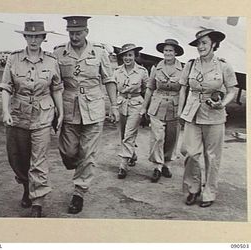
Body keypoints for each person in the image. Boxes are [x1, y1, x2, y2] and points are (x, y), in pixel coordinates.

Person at [53, 16, 119, 214]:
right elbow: (53, 83)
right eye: (71, 33)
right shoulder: (58, 53)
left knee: (88, 154)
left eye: (78, 33)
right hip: (68, 109)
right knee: (69, 153)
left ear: (86, 32)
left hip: (94, 109)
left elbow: (109, 80)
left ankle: (79, 193)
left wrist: (114, 106)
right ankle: (74, 164)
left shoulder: (99, 52)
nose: (74, 36)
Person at [0, 21, 63, 217]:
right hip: (18, 114)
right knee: (17, 157)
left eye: (38, 36)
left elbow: (57, 88)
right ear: (25, 37)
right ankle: (26, 186)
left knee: (39, 160)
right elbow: (6, 87)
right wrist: (5, 111)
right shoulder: (14, 59)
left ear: (44, 38)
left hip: (43, 115)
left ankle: (38, 201)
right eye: (30, 36)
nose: (33, 40)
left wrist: (61, 113)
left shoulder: (51, 61)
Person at [178, 29, 237, 207]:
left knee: (212, 156)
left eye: (204, 43)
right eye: (198, 44)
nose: (200, 47)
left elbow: (232, 90)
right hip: (192, 114)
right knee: (190, 152)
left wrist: (223, 103)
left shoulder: (223, 66)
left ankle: (209, 192)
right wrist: (181, 112)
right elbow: (183, 90)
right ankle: (192, 188)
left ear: (214, 44)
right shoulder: (190, 64)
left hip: (215, 115)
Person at [141, 39, 184, 183]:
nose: (168, 53)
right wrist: (144, 106)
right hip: (157, 105)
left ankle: (166, 163)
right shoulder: (156, 68)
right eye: (165, 51)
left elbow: (185, 90)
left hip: (175, 106)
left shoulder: (182, 69)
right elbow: (150, 88)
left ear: (176, 53)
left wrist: (184, 110)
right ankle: (157, 166)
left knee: (172, 138)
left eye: (170, 51)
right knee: (157, 137)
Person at [114, 44, 149, 179]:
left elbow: (147, 90)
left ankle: (123, 165)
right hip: (121, 103)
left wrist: (145, 108)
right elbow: (114, 88)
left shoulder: (142, 71)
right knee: (123, 134)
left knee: (129, 133)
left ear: (135, 56)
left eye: (130, 55)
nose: (127, 58)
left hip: (136, 104)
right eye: (125, 55)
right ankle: (132, 154)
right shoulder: (117, 71)